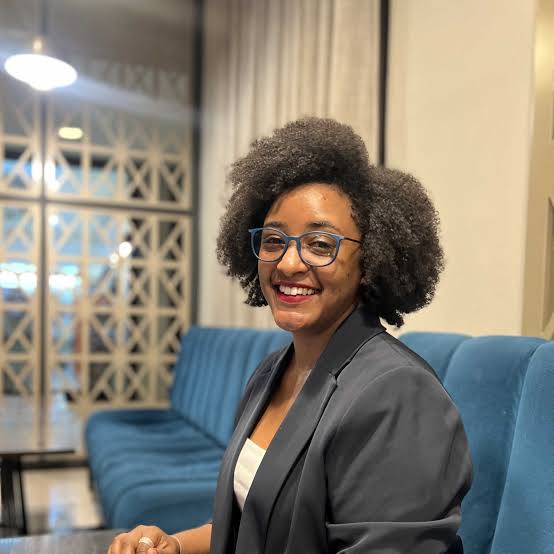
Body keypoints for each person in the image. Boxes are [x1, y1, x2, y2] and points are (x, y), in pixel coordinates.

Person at [107, 117, 473, 554]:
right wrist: (176, 545)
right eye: (274, 240)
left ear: (372, 260)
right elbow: (257, 524)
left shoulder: (399, 393)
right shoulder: (271, 371)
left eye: (320, 244)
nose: (287, 263)